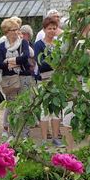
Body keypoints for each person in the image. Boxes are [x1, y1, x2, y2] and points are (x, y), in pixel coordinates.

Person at [0, 17, 31, 137]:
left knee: (25, 106)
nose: (16, 32)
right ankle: (12, 134)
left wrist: (10, 61)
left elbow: (25, 57)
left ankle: (24, 134)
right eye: (13, 30)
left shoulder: (23, 42)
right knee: (12, 106)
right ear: (6, 32)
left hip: (24, 77)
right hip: (10, 80)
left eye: (17, 29)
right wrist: (16, 61)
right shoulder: (2, 46)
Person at [35, 16, 62, 146]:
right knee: (44, 109)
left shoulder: (59, 44)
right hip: (44, 80)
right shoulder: (39, 44)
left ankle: (56, 137)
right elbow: (41, 64)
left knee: (56, 109)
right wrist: (55, 62)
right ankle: (44, 139)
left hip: (57, 80)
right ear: (44, 29)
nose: (52, 31)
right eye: (49, 28)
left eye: (54, 28)